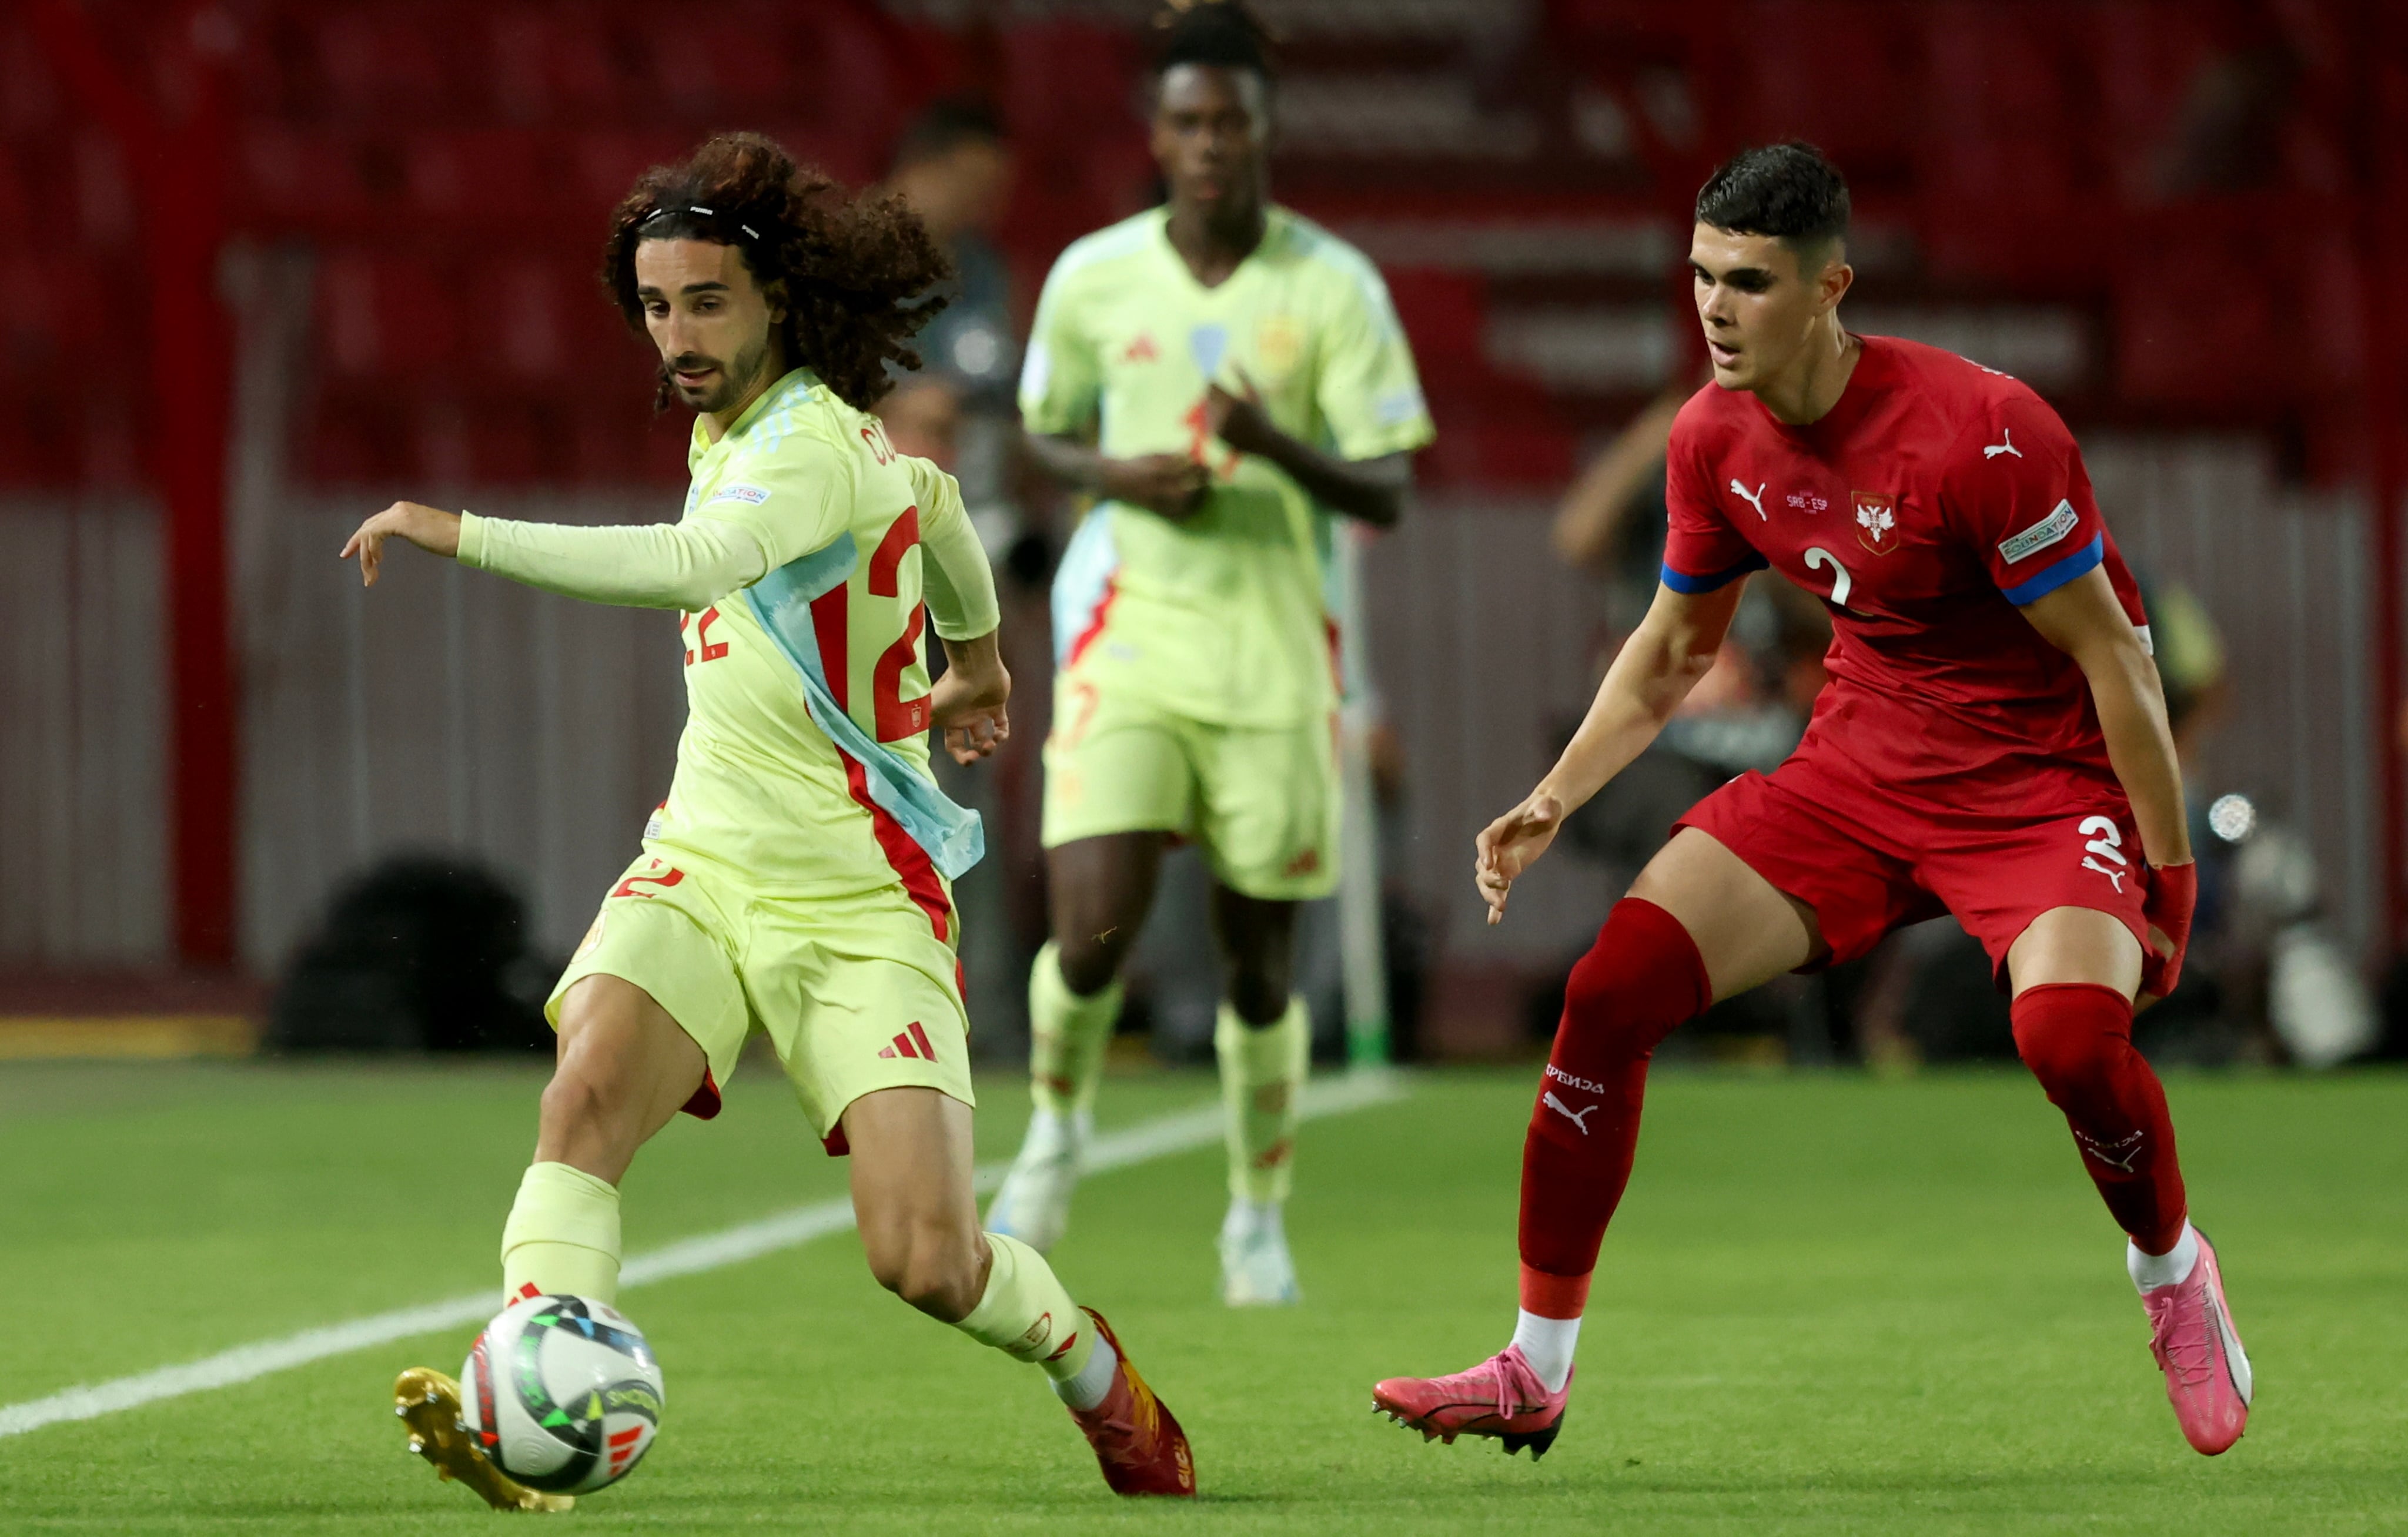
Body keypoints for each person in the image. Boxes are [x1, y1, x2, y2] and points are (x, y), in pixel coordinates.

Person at [343, 132, 1193, 1511]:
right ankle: (539, 1389)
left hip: (859, 899)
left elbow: (699, 562)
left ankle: (1092, 1369)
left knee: (926, 1260)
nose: (674, 335)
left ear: (780, 302)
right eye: (656, 305)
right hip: (704, 861)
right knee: (582, 1101)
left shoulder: (803, 447)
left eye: (705, 303)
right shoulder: (760, 430)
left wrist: (460, 530)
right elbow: (935, 496)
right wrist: (975, 654)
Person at [1372, 143, 2248, 1461]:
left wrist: (2164, 871)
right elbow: (1670, 649)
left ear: (1828, 288)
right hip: (1856, 772)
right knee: (1608, 991)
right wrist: (1551, 798)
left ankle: (2170, 1272)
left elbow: (2114, 655)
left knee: (2070, 1045)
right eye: (1699, 278)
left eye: (1748, 283)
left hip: (2035, 787)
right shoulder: (1709, 437)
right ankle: (1532, 1367)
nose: (1713, 310)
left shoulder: (1982, 433)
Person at [981, 0, 1434, 1306]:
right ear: (1158, 131)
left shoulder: (1331, 286)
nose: (1208, 143)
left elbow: (1389, 487)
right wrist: (1114, 473)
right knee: (1089, 935)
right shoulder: (1092, 276)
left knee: (1255, 967)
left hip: (1276, 662)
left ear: (1264, 126)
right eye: (1186, 121)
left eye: (1229, 120)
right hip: (1130, 641)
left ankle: (1254, 1216)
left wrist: (1269, 439)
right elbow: (1039, 438)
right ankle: (1055, 1131)